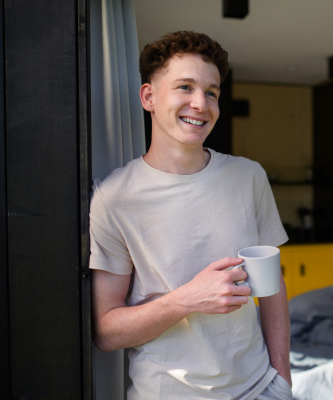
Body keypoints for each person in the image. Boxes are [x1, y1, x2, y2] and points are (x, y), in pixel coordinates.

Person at [90, 31, 292, 400]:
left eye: (211, 92)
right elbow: (106, 331)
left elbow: (273, 286)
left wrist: (282, 380)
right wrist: (187, 299)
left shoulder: (249, 177)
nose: (201, 103)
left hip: (260, 388)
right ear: (149, 97)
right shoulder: (113, 197)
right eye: (185, 87)